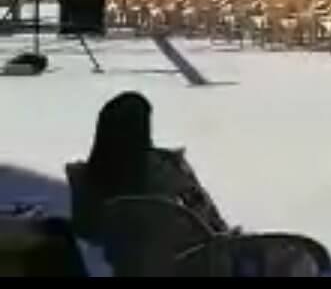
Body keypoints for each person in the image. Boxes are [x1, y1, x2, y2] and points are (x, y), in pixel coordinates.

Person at [75, 92, 228, 237]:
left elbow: (85, 230)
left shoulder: (83, 179)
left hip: (117, 253)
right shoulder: (167, 168)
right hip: (174, 250)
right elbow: (209, 219)